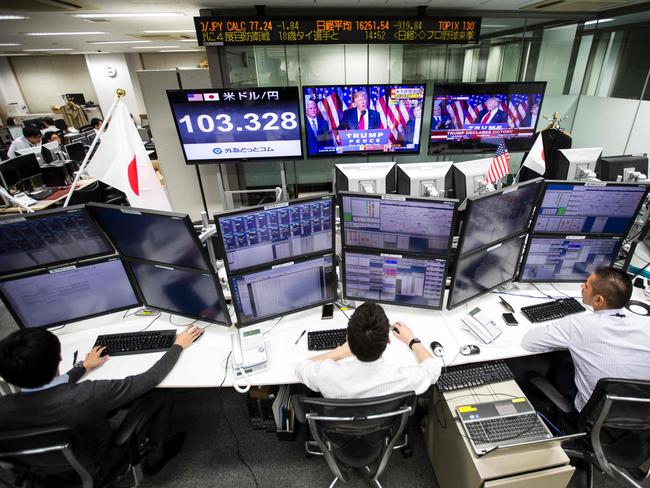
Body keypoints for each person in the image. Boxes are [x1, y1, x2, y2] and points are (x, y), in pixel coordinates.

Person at [0, 325, 204, 477]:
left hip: (41, 469)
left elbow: (50, 386)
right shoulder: (88, 394)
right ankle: (156, 454)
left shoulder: (4, 408)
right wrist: (178, 345)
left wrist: (83, 366)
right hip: (102, 462)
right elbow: (149, 380)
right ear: (59, 359)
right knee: (159, 394)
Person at [521, 267, 650, 412]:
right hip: (642, 413)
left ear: (598, 300)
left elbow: (529, 342)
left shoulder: (580, 325)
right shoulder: (646, 324)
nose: (582, 286)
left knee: (563, 359)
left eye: (586, 285)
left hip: (592, 413)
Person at [295, 302, 441, 398]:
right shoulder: (406, 378)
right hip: (383, 429)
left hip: (341, 429)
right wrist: (412, 340)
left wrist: (340, 352)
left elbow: (301, 368)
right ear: (388, 340)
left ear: (348, 340)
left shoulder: (327, 375)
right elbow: (433, 369)